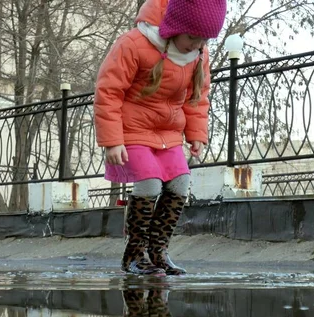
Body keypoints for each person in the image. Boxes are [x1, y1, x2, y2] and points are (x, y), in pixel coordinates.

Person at [93, 0, 227, 276]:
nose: (197, 44)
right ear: (174, 26)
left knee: (180, 184)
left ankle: (158, 251)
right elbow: (109, 91)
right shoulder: (134, 44)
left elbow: (198, 97)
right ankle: (134, 254)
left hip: (168, 133)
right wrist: (112, 140)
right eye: (192, 37)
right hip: (132, 131)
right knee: (150, 184)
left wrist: (196, 133)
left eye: (203, 39)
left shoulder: (199, 54)